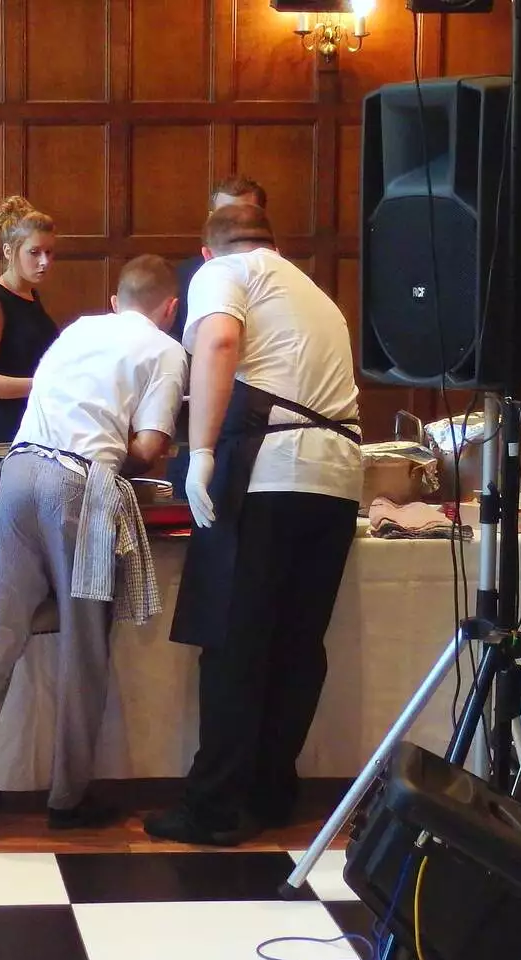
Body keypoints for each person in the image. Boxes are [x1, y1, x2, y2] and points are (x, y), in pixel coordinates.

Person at [0, 256, 186, 848]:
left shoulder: (76, 330)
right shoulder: (167, 351)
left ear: (116, 298)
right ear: (170, 309)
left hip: (15, 475)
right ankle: (67, 801)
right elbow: (146, 449)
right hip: (82, 492)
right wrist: (124, 438)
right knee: (84, 648)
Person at [145, 204, 362, 848]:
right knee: (296, 646)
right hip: (336, 481)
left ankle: (212, 809)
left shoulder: (225, 272)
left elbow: (216, 343)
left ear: (208, 253)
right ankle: (271, 793)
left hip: (269, 475)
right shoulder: (314, 292)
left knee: (235, 644)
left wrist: (202, 451)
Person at [167, 177, 270, 492]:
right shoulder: (185, 275)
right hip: (198, 418)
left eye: (245, 214)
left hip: (260, 426)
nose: (235, 223)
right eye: (225, 215)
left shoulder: (281, 277)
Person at [0, 196, 60, 474]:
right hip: (4, 431)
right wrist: (43, 385)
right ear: (9, 251)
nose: (45, 261)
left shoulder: (30, 294)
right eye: (34, 253)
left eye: (50, 252)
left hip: (31, 424)